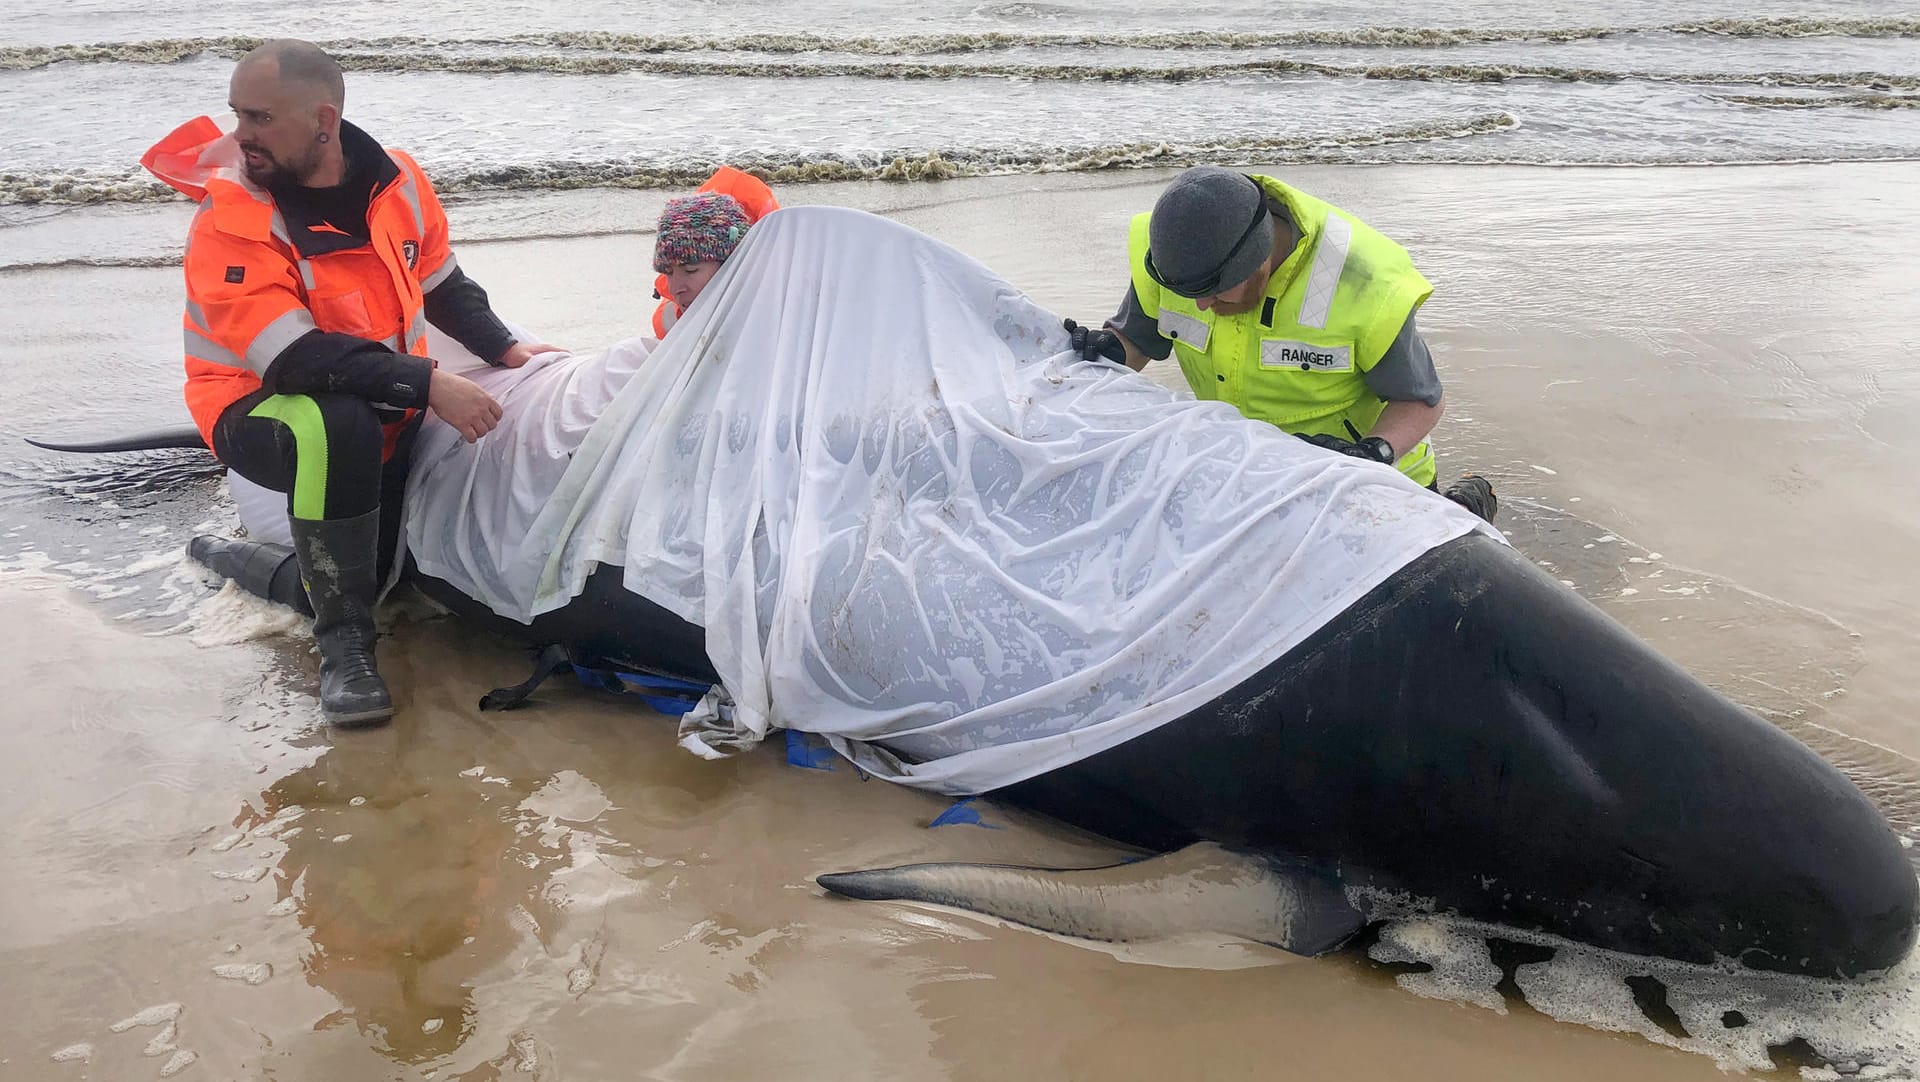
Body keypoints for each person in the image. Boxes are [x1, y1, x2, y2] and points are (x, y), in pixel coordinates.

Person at [142, 40, 557, 728]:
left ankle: (278, 572)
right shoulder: (234, 218)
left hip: (379, 397)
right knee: (335, 424)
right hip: (258, 405)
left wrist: (506, 349)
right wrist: (429, 384)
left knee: (382, 576)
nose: (238, 136)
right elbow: (292, 359)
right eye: (236, 115)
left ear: (323, 121)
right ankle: (345, 648)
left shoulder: (397, 183)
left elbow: (442, 284)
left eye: (259, 118)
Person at [1063, 166, 1496, 521]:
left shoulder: (1365, 284)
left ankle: (1470, 498)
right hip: (1252, 474)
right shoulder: (1179, 257)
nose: (1199, 303)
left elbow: (1422, 401)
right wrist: (1108, 351)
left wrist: (1370, 454)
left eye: (1217, 292)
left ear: (1262, 260)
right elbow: (1137, 339)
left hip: (1375, 476)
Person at [650, 167, 777, 337]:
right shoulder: (669, 322)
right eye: (668, 273)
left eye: (690, 270)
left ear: (732, 266)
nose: (675, 289)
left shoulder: (788, 318)